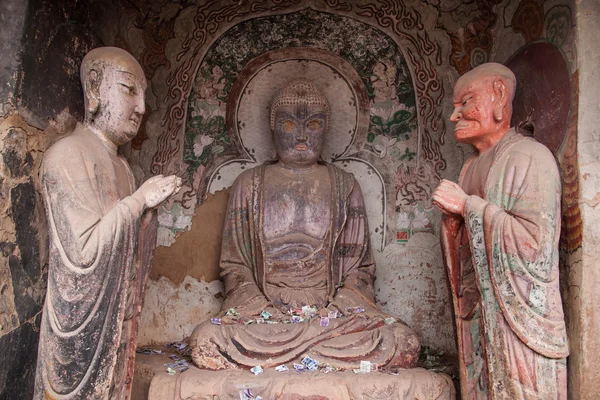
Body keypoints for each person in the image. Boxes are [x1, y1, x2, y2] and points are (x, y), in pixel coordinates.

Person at [189, 80, 420, 371]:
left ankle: (302, 349)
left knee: (402, 341)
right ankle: (308, 350)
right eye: (288, 123)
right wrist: (264, 310)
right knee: (207, 340)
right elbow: (234, 266)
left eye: (312, 124)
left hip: (333, 318)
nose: (301, 135)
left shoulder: (346, 185)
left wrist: (335, 310)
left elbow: (360, 270)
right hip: (265, 320)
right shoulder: (249, 185)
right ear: (272, 129)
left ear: (327, 128)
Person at [34, 47, 182, 399]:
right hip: (80, 328)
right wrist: (139, 201)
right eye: (130, 90)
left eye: (143, 95)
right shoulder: (68, 155)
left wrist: (148, 212)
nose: (142, 108)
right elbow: (84, 254)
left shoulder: (123, 168)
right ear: (96, 89)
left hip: (117, 319)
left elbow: (126, 250)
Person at [432, 63, 568, 399]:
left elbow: (536, 247)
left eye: (465, 102)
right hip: (482, 314)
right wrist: (453, 223)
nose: (455, 116)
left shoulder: (529, 157)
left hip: (518, 320)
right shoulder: (470, 166)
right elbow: (465, 251)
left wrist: (467, 207)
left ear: (498, 94)